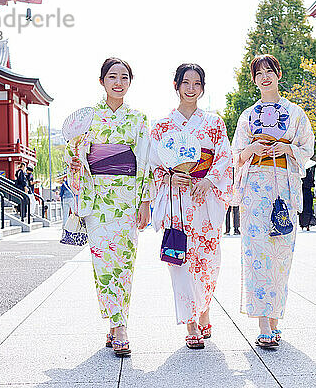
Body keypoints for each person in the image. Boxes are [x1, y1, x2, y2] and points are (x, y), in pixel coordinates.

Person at [66, 57, 153, 356]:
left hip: (127, 198)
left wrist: (145, 200)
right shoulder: (88, 118)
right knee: (103, 263)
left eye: (124, 77)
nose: (118, 82)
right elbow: (73, 153)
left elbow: (145, 161)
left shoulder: (139, 119)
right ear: (101, 81)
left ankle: (119, 324)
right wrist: (75, 161)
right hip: (98, 198)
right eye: (112, 76)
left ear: (130, 82)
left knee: (125, 263)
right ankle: (117, 323)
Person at [232, 54, 314, 347]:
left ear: (279, 74)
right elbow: (236, 155)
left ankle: (276, 317)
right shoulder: (247, 115)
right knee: (257, 254)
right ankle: (264, 323)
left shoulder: (295, 113)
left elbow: (307, 148)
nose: (265, 77)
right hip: (255, 188)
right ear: (253, 79)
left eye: (270, 71)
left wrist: (286, 148)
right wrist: (253, 147)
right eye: (259, 73)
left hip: (284, 188)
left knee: (281, 255)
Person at [150, 63, 232, 349]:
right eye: (186, 82)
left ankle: (205, 307)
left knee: (209, 261)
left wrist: (209, 180)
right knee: (182, 260)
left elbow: (225, 157)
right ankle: (191, 323)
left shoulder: (214, 123)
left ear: (202, 88)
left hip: (205, 197)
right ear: (176, 85)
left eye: (197, 83)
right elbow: (153, 166)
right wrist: (170, 177)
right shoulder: (162, 127)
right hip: (178, 200)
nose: (191, 88)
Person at [299, 159, 316, 231]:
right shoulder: (309, 173)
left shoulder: (300, 173)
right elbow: (312, 183)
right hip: (308, 192)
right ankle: (307, 225)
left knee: (302, 208)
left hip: (301, 192)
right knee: (308, 208)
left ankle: (302, 224)